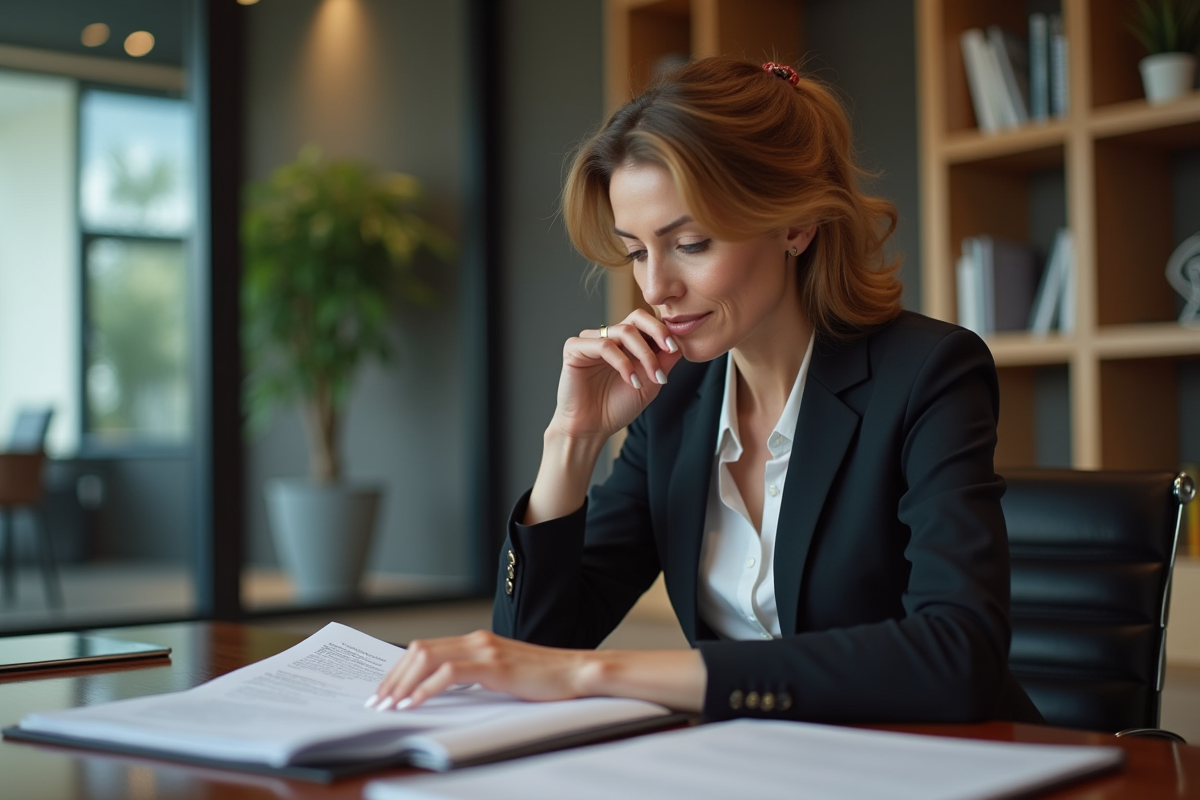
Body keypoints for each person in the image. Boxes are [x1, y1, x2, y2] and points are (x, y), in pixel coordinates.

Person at [370, 56, 1042, 724]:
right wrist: (571, 441)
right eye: (636, 250)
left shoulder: (929, 373)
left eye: (689, 242)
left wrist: (597, 673)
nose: (654, 287)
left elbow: (959, 654)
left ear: (795, 225)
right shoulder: (677, 401)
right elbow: (534, 652)